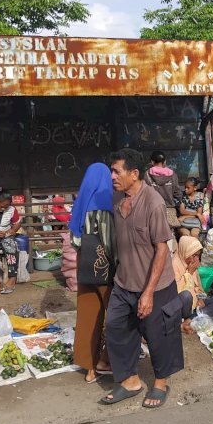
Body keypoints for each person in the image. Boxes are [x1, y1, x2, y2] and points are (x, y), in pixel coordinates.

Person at [102, 149, 182, 409]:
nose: (112, 176)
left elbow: (162, 249)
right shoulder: (117, 199)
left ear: (134, 174)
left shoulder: (154, 202)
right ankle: (130, 380)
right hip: (124, 282)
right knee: (116, 328)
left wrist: (148, 292)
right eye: (111, 171)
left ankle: (161, 382)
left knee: (159, 334)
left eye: (117, 171)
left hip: (155, 285)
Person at [69, 164, 116, 384]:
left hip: (84, 263)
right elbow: (109, 243)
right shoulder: (104, 204)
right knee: (116, 314)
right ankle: (106, 360)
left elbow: (75, 240)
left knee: (88, 314)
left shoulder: (80, 204)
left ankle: (89, 369)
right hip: (103, 265)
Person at [172, 236, 205, 334]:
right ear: (185, 252)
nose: (195, 259)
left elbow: (199, 287)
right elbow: (178, 291)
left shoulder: (192, 263)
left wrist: (201, 298)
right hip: (181, 306)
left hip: (195, 306)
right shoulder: (174, 264)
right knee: (186, 295)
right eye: (193, 255)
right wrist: (189, 273)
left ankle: (190, 319)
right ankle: (189, 318)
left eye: (197, 255)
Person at [144, 151, 182, 229]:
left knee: (155, 233)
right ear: (165, 162)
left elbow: (145, 193)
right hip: (169, 209)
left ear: (152, 162)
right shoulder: (172, 174)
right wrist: (175, 205)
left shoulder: (147, 174)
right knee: (170, 234)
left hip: (153, 210)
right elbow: (178, 193)